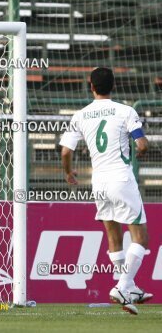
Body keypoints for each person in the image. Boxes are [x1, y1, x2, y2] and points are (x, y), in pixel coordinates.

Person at [59, 67, 152, 315]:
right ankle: (122, 285)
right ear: (114, 86)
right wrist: (137, 150)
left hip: (98, 181)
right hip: (121, 179)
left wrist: (68, 172)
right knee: (141, 238)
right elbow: (142, 145)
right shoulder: (125, 110)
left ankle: (128, 286)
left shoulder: (80, 114)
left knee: (113, 236)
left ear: (91, 86)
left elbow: (66, 151)